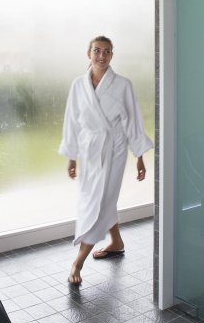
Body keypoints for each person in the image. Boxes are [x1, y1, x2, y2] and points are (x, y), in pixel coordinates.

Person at [59, 35, 153, 285]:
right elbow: (72, 121)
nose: (102, 56)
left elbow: (133, 121)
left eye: (107, 51)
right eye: (97, 51)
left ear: (112, 55)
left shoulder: (123, 85)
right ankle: (117, 242)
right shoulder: (78, 85)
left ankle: (78, 262)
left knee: (101, 203)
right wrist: (72, 157)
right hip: (89, 151)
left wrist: (139, 157)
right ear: (88, 53)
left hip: (115, 149)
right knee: (96, 199)